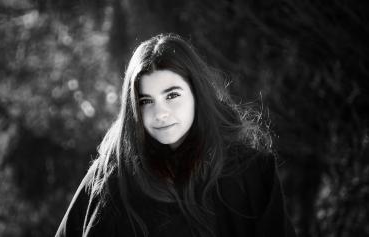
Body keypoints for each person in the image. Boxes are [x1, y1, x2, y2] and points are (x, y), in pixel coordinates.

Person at [55, 33, 297, 237]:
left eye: (172, 95)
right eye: (146, 101)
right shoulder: (110, 177)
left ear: (197, 94)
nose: (160, 113)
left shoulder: (251, 173)